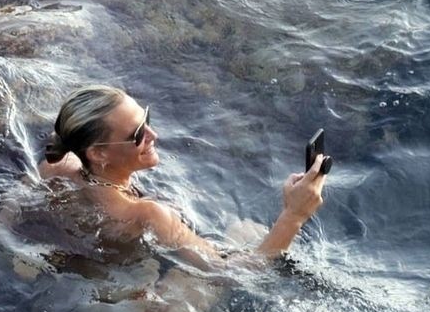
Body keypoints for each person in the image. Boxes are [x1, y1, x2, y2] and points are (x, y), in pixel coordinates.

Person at [36, 85, 326, 267]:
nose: (153, 134)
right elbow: (235, 273)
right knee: (247, 232)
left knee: (245, 231)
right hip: (141, 306)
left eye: (146, 120)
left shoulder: (57, 166)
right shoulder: (148, 213)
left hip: (97, 280)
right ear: (98, 153)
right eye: (138, 134)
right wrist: (294, 215)